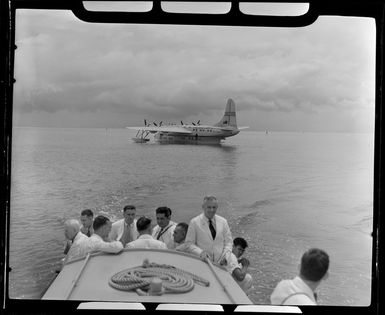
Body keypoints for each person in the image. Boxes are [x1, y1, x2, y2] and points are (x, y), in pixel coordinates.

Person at [184, 195, 233, 263]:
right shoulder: (194, 222)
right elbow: (188, 244)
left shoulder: (223, 221)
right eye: (209, 207)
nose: (211, 210)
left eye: (214, 207)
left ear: (217, 208)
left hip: (221, 263)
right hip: (202, 262)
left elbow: (228, 242)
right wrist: (200, 252)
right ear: (203, 207)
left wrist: (225, 257)